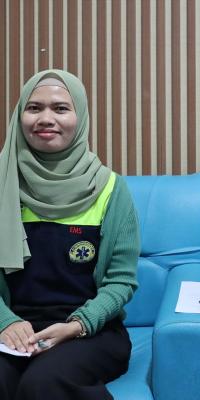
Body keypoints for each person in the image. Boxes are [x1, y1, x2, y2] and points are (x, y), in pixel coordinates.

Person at [0, 69, 140, 400]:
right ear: (20, 116)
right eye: (34, 108)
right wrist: (5, 322)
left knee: (42, 383)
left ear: (80, 117)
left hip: (89, 331)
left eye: (60, 108)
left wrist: (78, 325)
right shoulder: (3, 184)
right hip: (13, 329)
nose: (45, 118)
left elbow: (121, 281)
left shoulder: (110, 188)